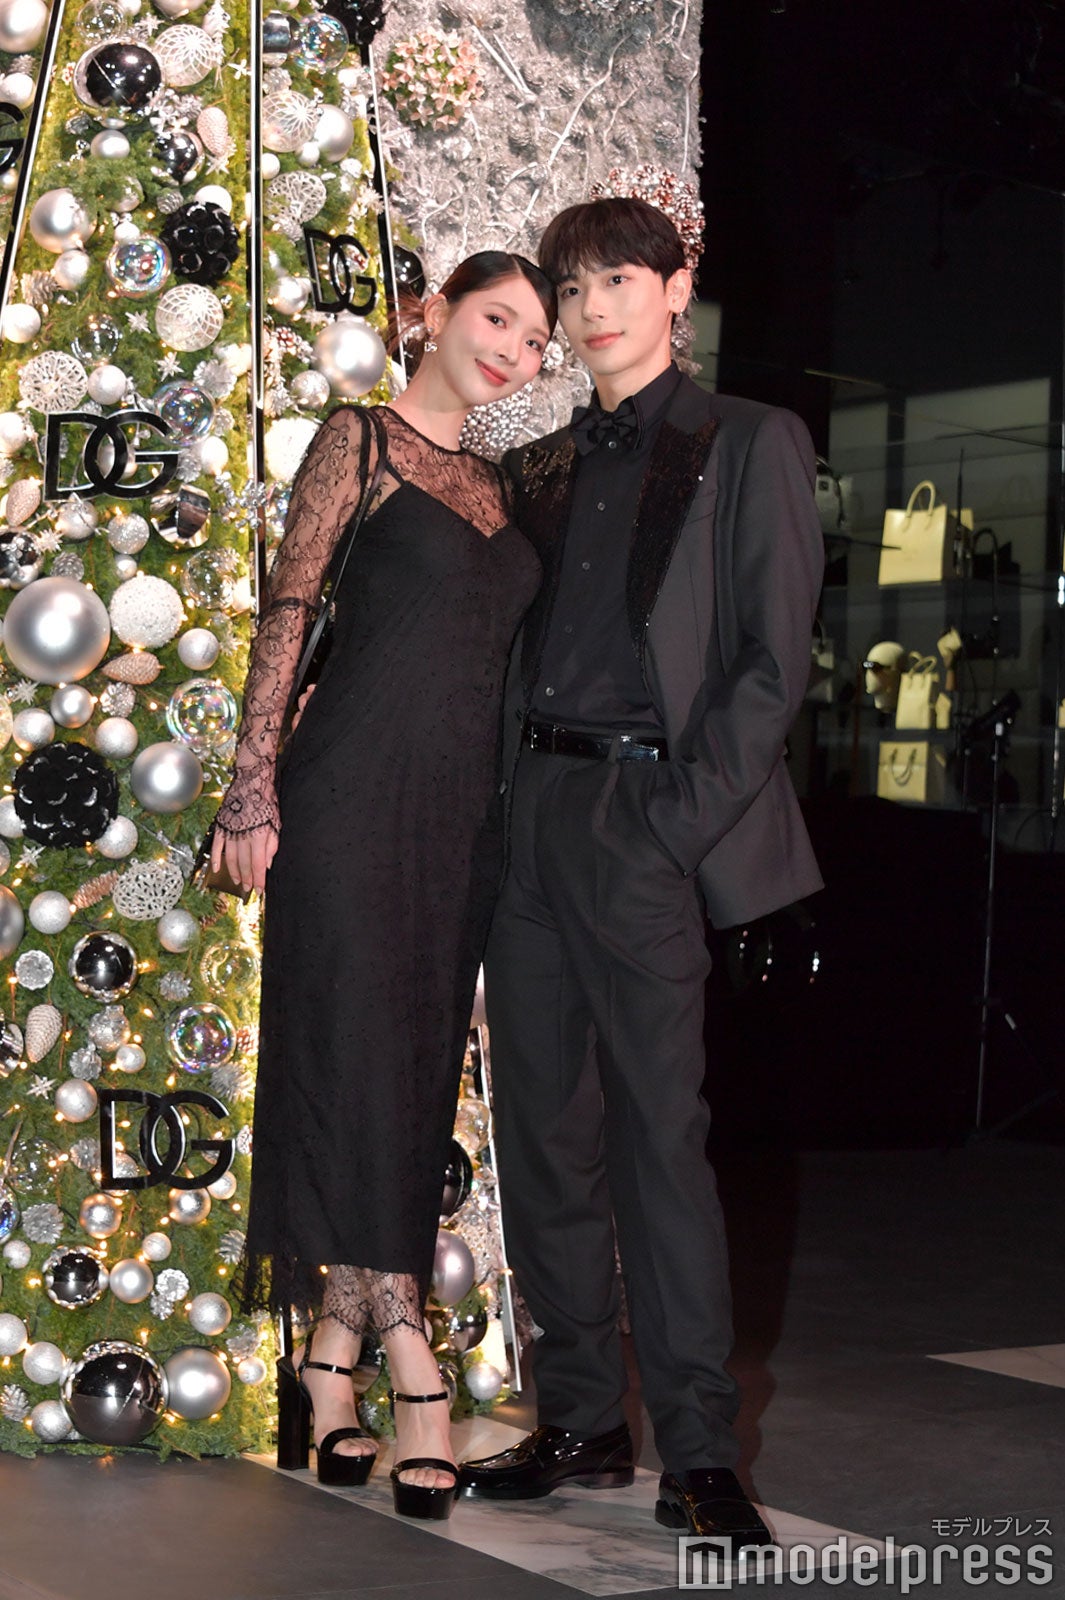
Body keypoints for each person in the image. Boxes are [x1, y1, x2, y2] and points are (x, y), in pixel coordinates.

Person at [458, 198, 824, 1552]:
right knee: (543, 1138)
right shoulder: (539, 462)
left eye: (619, 277)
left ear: (677, 287)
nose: (593, 305)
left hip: (640, 815)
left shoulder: (749, 441)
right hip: (533, 816)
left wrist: (672, 821)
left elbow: (770, 664)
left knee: (658, 1140)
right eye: (572, 286)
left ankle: (700, 1450)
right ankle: (579, 1420)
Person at [211, 251, 556, 1520]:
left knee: (408, 1076)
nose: (515, 351)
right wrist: (251, 787)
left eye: (534, 339)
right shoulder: (357, 441)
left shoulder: (506, 486)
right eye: (497, 319)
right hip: (350, 797)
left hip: (460, 822)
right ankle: (410, 1355)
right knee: (355, 1056)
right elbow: (288, 610)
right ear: (435, 314)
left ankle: (328, 1363)